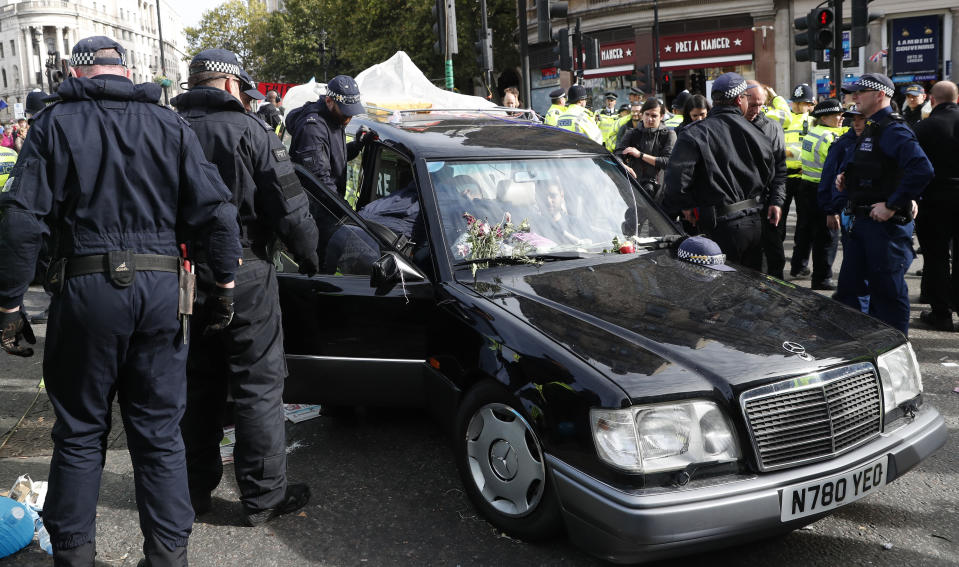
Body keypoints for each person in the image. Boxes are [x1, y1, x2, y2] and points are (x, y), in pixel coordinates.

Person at [0, 35, 242, 567]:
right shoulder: (169, 124)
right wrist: (223, 289)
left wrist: (9, 306)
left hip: (86, 290)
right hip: (160, 291)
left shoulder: (54, 124)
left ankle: (75, 557)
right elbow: (219, 216)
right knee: (158, 436)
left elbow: (21, 221)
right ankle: (167, 558)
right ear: (126, 72)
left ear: (74, 72)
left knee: (82, 433)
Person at [171, 48, 321, 527]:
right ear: (233, 86)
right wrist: (313, 257)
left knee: (195, 385)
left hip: (183, 274)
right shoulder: (252, 132)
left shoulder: (165, 130)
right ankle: (262, 499)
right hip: (247, 269)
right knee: (258, 386)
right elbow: (290, 207)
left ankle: (190, 495)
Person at [834, 73, 934, 335]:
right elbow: (879, 166)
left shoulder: (893, 128)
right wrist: (848, 177)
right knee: (853, 290)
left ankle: (895, 353)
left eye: (860, 92)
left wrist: (892, 204)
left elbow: (922, 169)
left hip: (884, 228)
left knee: (888, 294)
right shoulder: (873, 126)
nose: (855, 97)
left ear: (880, 95)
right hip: (864, 223)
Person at [662, 72, 780, 270]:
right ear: (738, 99)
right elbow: (770, 175)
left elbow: (675, 183)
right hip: (754, 225)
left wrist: (687, 206)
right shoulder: (758, 133)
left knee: (721, 292)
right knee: (751, 291)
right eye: (746, 98)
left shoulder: (695, 133)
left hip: (719, 227)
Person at [913, 80, 959, 331]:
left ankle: (941, 313)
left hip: (935, 200)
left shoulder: (924, 127)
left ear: (932, 99)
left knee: (936, 256)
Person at [286, 74, 374, 199]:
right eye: (345, 112)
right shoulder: (313, 129)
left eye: (352, 113)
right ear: (329, 101)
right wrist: (345, 213)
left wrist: (357, 144)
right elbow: (320, 183)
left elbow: (333, 158)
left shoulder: (335, 119)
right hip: (317, 209)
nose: (348, 118)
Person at [798, 99, 847, 290]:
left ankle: (807, 270)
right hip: (823, 189)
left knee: (810, 233)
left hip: (808, 188)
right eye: (837, 115)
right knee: (827, 237)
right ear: (824, 117)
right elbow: (835, 169)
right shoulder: (830, 138)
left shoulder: (814, 132)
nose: (841, 118)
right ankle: (823, 278)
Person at [745, 81, 788, 280]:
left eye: (760, 104)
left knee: (775, 259)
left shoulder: (772, 127)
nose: (756, 109)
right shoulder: (729, 127)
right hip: (740, 210)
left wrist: (777, 202)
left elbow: (780, 168)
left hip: (766, 204)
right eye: (752, 104)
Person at [614, 98, 676, 201]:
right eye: (647, 114)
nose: (649, 119)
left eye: (654, 116)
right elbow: (617, 154)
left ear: (661, 116)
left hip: (661, 193)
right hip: (635, 190)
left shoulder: (669, 135)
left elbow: (667, 162)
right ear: (642, 114)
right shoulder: (631, 133)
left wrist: (640, 155)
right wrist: (623, 165)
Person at [784, 83, 816, 278]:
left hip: (804, 177)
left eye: (803, 103)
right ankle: (776, 264)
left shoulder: (813, 122)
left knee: (804, 225)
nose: (800, 106)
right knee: (776, 225)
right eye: (798, 103)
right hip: (785, 176)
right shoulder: (783, 118)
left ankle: (799, 265)